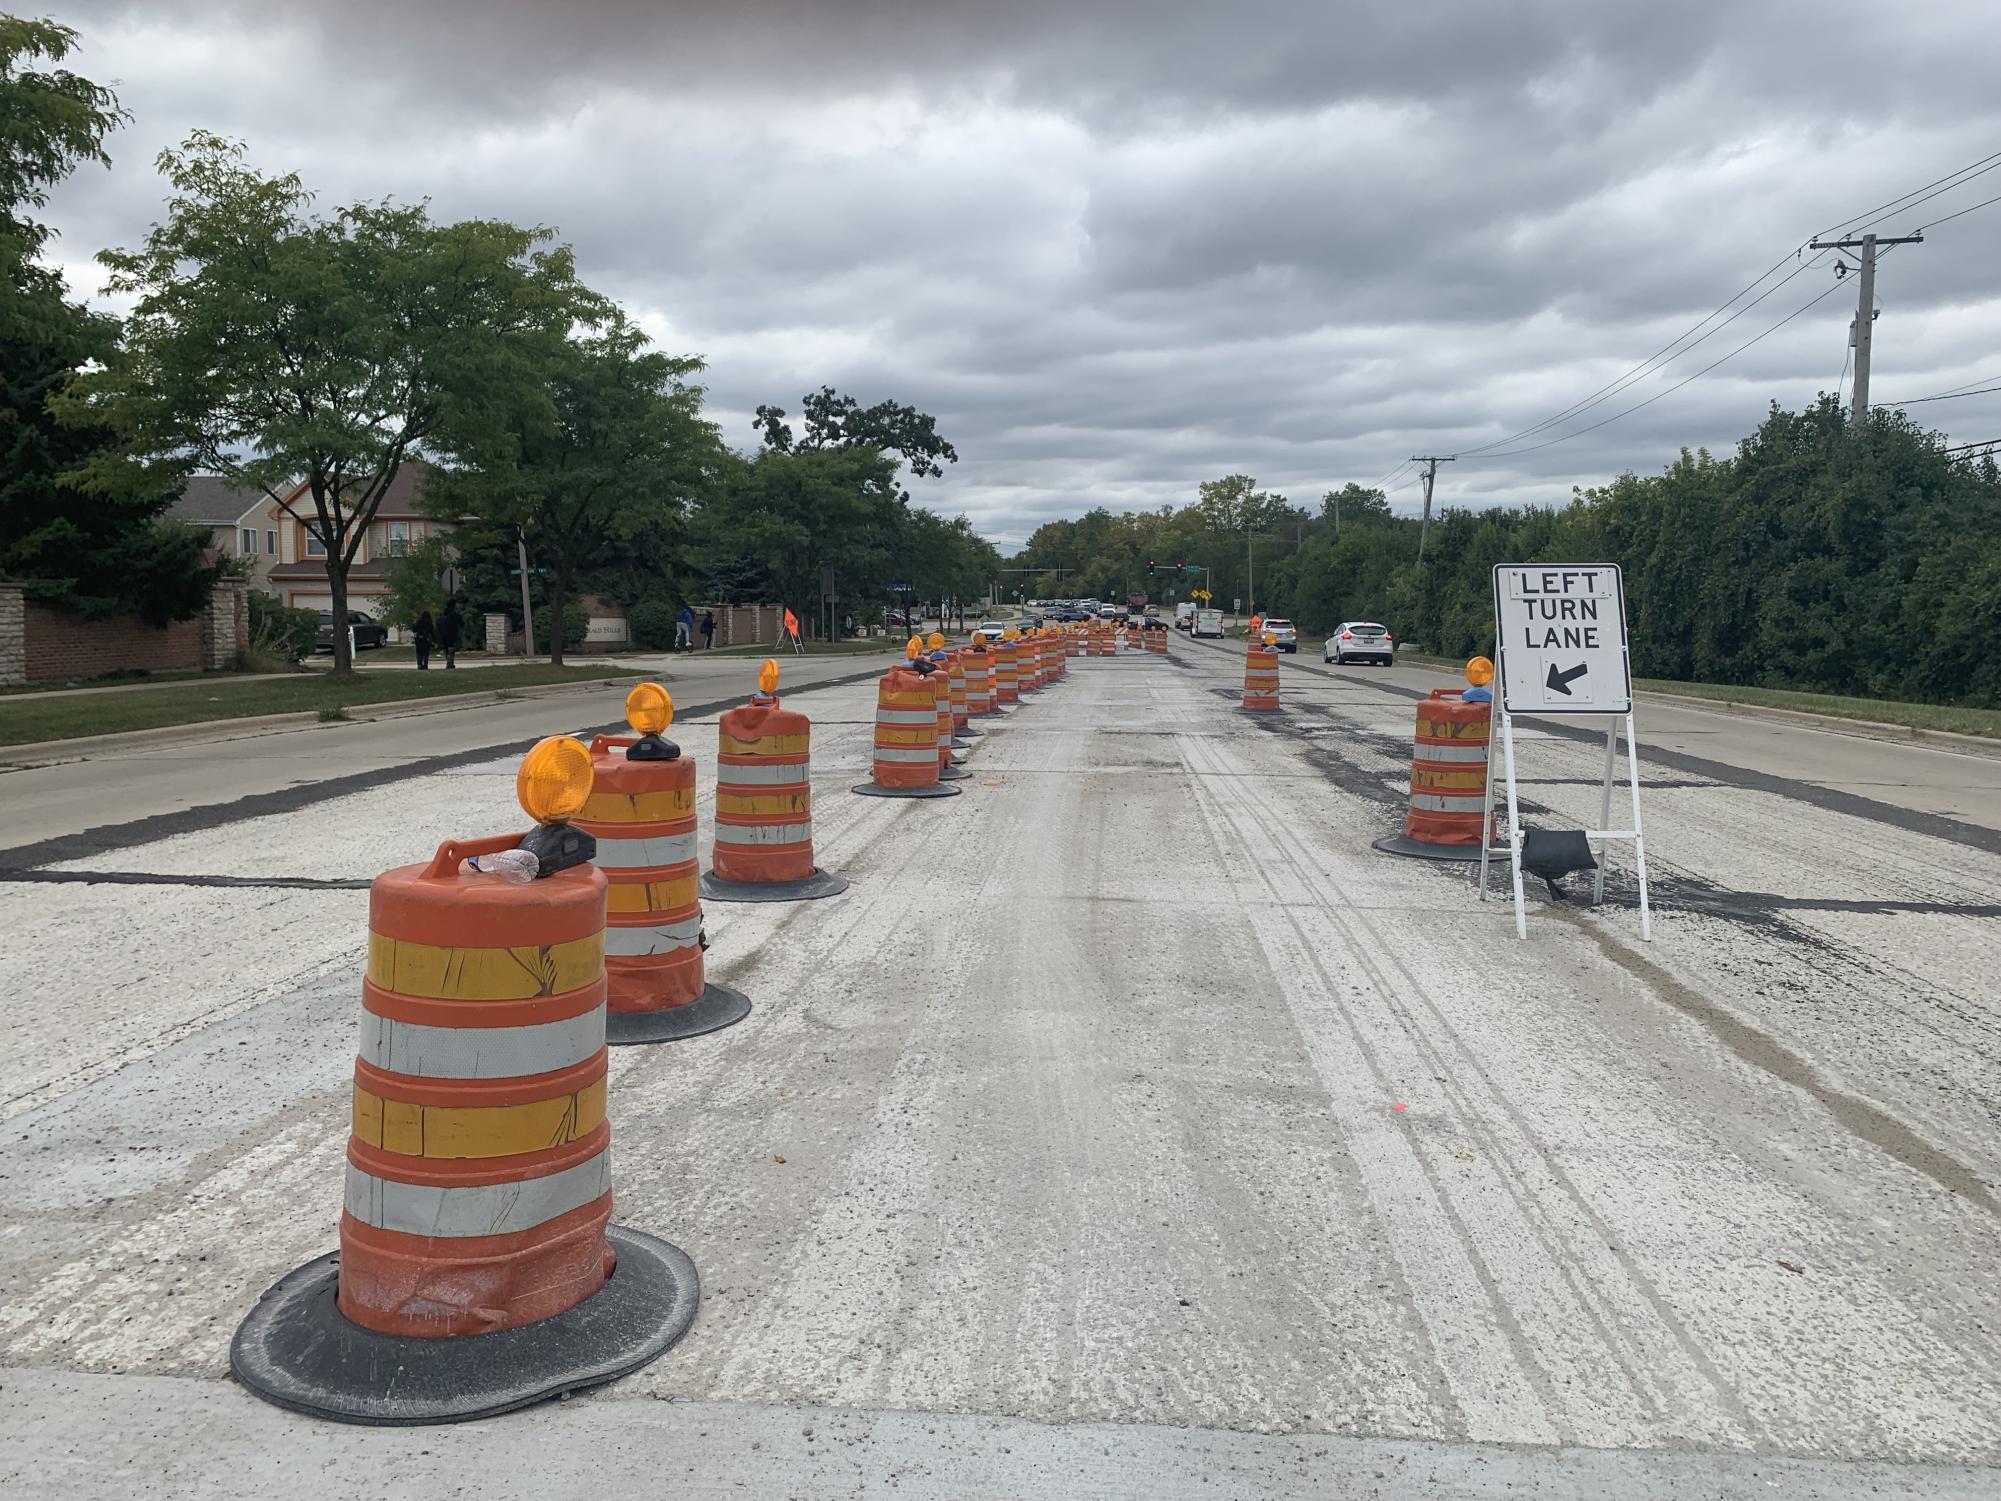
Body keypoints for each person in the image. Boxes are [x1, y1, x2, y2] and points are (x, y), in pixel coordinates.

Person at [436, 599, 462, 669]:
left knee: (447, 649)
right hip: (452, 634)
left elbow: (438, 622)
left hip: (443, 635)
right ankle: (450, 663)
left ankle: (449, 662)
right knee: (451, 649)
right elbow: (462, 623)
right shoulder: (454, 615)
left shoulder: (444, 614)